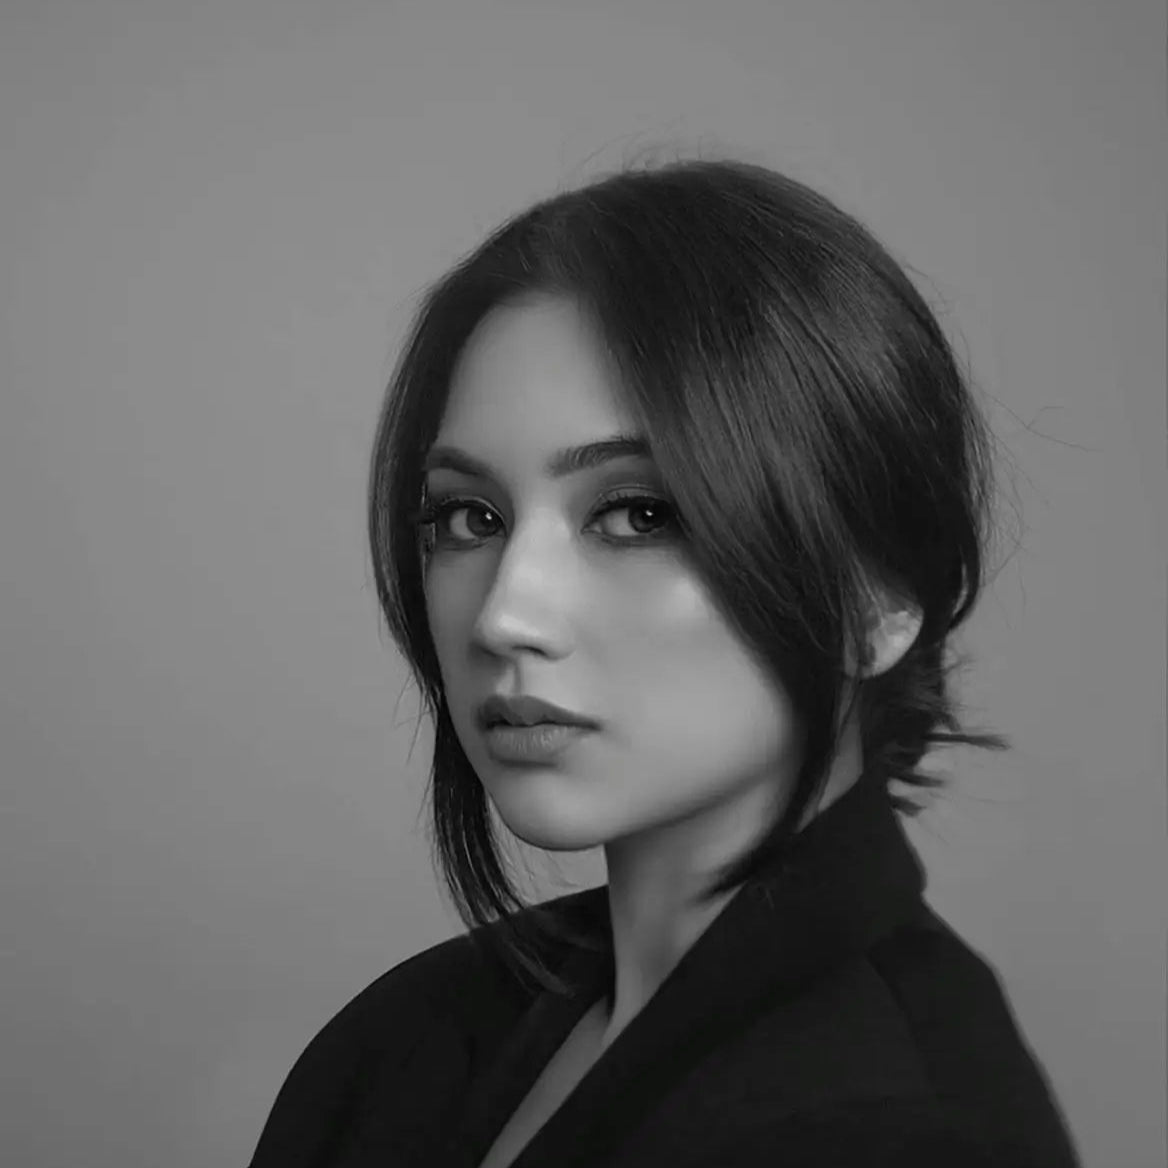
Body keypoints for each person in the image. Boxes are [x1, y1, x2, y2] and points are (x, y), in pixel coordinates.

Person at [248, 155, 1081, 1167]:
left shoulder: (902, 1129)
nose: (504, 614)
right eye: (469, 516)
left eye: (640, 513)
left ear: (878, 597)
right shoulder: (400, 1047)